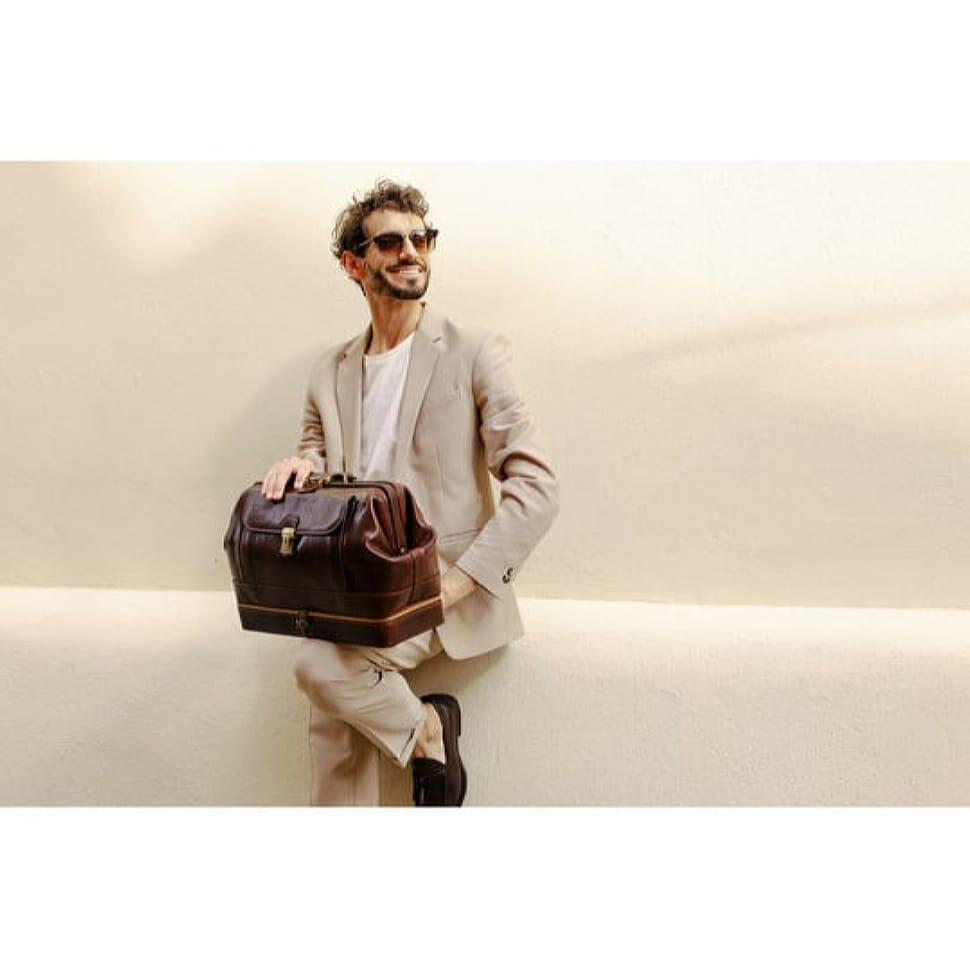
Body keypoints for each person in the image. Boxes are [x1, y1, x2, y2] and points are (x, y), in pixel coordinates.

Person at [260, 179, 558, 806]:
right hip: (351, 584)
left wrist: (454, 585)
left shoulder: (473, 350)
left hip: (435, 583)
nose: (410, 252)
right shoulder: (329, 371)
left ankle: (425, 733)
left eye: (421, 239)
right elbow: (318, 462)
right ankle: (423, 733)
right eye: (391, 242)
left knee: (318, 667)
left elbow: (537, 487)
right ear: (354, 264)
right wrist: (298, 469)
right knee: (331, 714)